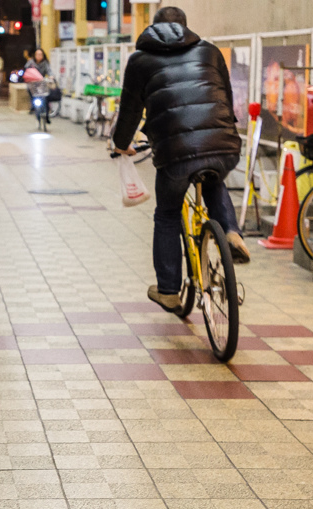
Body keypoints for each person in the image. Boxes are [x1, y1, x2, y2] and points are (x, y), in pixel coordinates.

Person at [112, 6, 250, 313]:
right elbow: (225, 96)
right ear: (186, 27)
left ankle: (169, 290)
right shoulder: (210, 52)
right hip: (223, 143)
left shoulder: (139, 61)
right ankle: (230, 232)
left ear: (153, 28)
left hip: (175, 153)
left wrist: (121, 144)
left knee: (167, 214)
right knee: (214, 177)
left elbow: (131, 111)